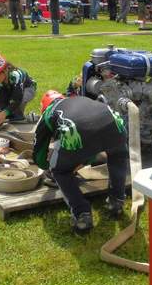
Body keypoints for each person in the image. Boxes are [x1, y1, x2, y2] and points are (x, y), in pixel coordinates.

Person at [33, 91, 128, 234]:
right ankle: (116, 202)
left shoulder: (48, 113)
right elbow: (94, 138)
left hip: (81, 130)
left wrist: (48, 168)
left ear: (44, 107)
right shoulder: (79, 99)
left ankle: (82, 215)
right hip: (115, 125)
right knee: (117, 157)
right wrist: (84, 161)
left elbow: (38, 152)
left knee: (60, 171)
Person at [0, 52, 37, 125]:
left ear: (5, 70)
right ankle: (11, 115)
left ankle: (19, 116)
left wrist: (5, 112)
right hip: (12, 90)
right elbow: (2, 96)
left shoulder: (16, 75)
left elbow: (17, 99)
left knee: (20, 100)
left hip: (27, 88)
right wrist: (0, 111)